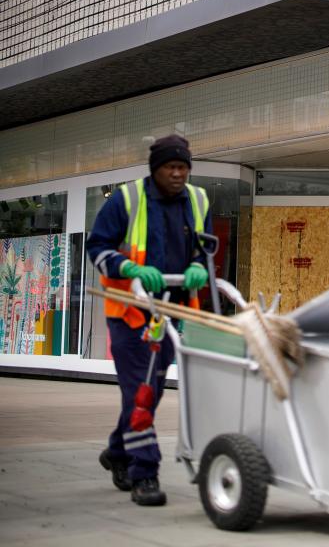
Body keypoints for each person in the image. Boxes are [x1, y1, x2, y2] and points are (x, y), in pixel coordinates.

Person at [87, 135, 212, 506]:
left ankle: (117, 451)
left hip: (171, 310)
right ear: (155, 169)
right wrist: (128, 267)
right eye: (170, 168)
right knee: (139, 394)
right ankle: (145, 473)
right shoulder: (127, 199)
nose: (178, 174)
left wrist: (197, 266)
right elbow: (97, 246)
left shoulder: (198, 199)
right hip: (130, 310)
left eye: (183, 167)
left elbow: (203, 246)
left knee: (152, 391)